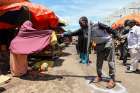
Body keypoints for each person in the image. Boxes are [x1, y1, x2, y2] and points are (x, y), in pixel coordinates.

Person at [90, 22, 119, 88]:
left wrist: (116, 34)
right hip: (99, 44)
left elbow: (108, 28)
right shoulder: (85, 30)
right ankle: (99, 76)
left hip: (107, 42)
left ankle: (112, 79)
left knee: (110, 61)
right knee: (99, 61)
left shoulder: (98, 24)